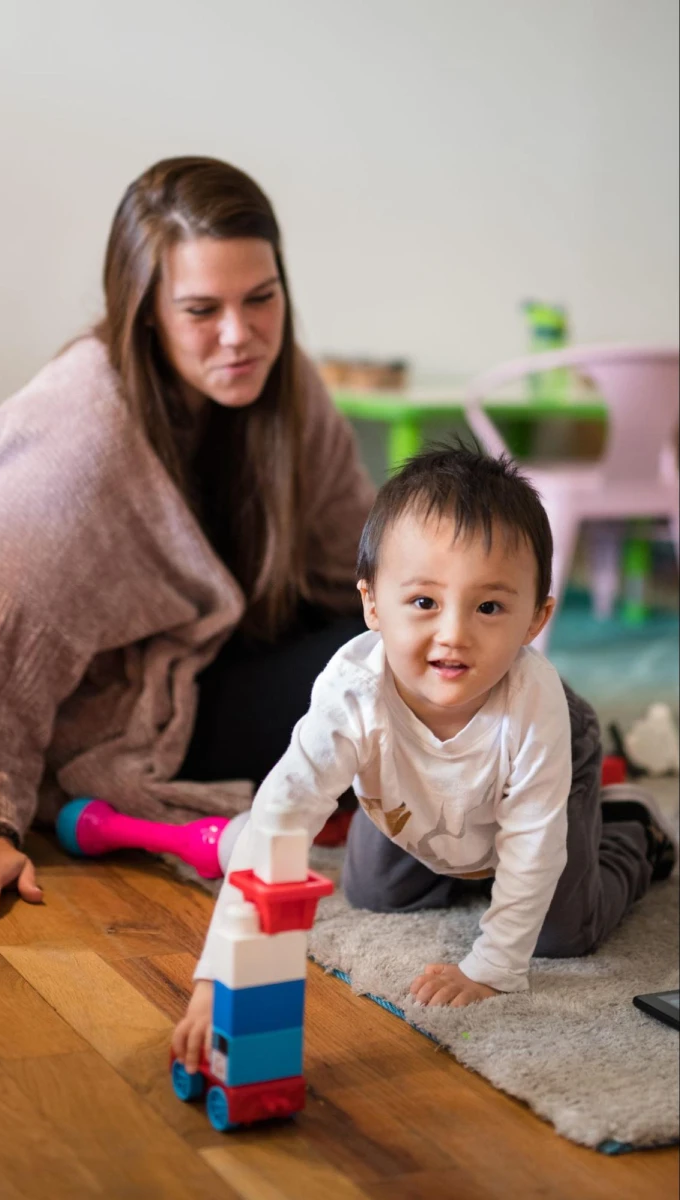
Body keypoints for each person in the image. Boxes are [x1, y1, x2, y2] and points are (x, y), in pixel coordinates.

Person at [0, 156, 375, 925]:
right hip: (136, 711)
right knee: (387, 679)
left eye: (262, 299)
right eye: (201, 310)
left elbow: (358, 565)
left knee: (426, 653)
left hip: (227, 653)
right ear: (146, 307)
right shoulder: (75, 438)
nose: (240, 335)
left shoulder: (291, 393)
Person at [173, 445, 675, 1069]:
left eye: (489, 607)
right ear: (372, 604)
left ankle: (630, 827)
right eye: (423, 602)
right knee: (374, 892)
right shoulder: (350, 696)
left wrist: (491, 968)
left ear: (534, 620)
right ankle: (464, 856)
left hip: (552, 765)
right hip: (416, 791)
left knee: (560, 931)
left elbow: (533, 841)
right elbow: (277, 820)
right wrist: (216, 980)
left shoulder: (534, 704)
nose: (454, 634)